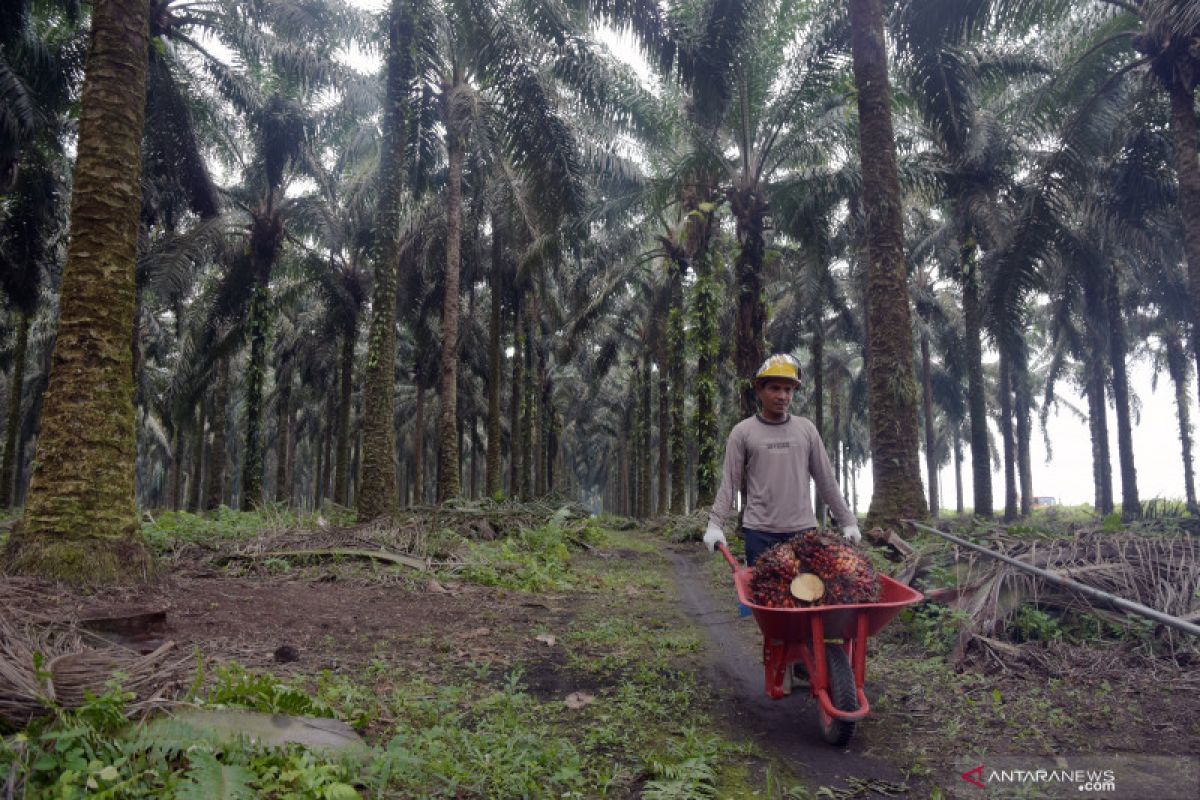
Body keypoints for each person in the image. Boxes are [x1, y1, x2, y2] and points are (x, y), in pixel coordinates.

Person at [703, 353, 861, 565]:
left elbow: (826, 480)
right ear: (759, 390)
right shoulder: (743, 432)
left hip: (803, 532)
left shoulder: (806, 430)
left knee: (806, 593)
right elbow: (730, 483)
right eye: (774, 388)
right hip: (760, 533)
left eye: (788, 389)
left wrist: (847, 520)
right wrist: (715, 524)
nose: (782, 396)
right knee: (762, 596)